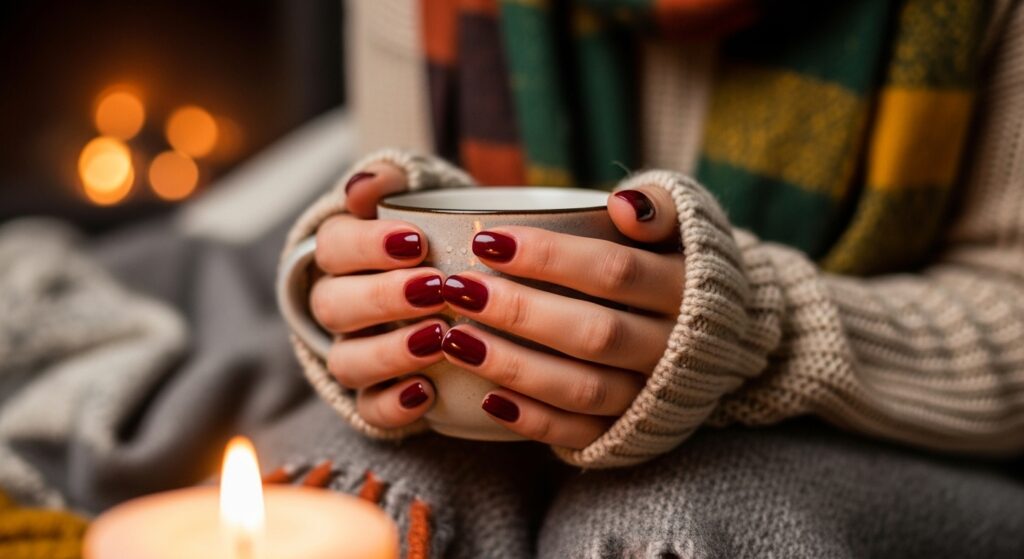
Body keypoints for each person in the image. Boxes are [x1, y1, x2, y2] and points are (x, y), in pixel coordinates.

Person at [263, 0, 1024, 556]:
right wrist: (361, 289)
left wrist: (757, 329)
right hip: (503, 427)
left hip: (915, 448)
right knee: (364, 501)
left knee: (675, 520)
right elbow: (386, 198)